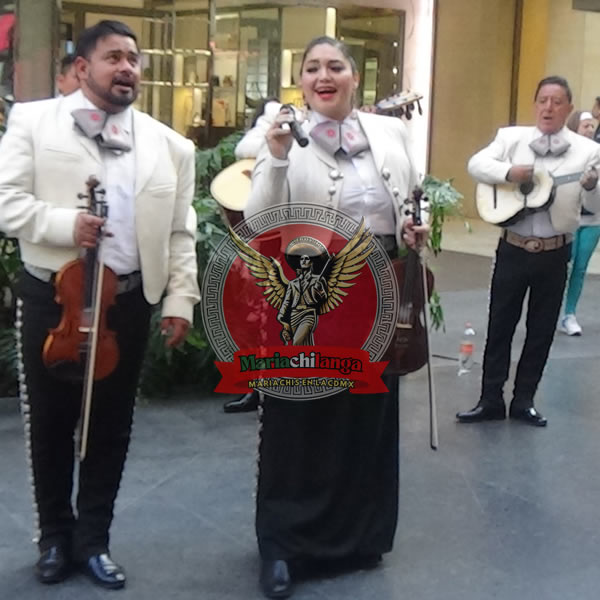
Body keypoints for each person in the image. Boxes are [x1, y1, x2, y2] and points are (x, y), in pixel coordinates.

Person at [0, 20, 199, 589]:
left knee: (111, 426)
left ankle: (94, 541)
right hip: (53, 297)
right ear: (83, 68)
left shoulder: (171, 145)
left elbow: (181, 233)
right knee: (50, 426)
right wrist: (68, 224)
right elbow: (6, 203)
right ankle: (54, 540)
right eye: (114, 57)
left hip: (129, 302)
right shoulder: (33, 122)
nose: (128, 67)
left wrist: (179, 298)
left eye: (134, 58)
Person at [245, 36, 427, 599]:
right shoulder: (275, 136)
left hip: (377, 289)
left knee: (366, 415)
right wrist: (276, 157)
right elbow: (259, 219)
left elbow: (409, 198)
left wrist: (414, 231)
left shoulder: (389, 133)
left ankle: (357, 535)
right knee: (299, 421)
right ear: (301, 82)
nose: (325, 76)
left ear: (354, 77)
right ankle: (283, 545)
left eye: (336, 66)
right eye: (312, 68)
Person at [456, 76, 600, 428]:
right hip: (513, 248)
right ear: (535, 104)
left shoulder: (588, 151)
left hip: (555, 252)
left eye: (557, 102)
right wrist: (510, 171)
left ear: (568, 108)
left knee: (541, 330)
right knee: (500, 324)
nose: (548, 108)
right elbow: (476, 165)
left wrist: (592, 186)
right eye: (542, 100)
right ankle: (490, 399)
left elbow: (595, 206)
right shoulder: (510, 138)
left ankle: (524, 400)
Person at [558, 110, 600, 335]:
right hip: (570, 219)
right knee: (563, 265)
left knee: (580, 268)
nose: (590, 129)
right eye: (585, 125)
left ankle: (569, 314)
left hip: (594, 220)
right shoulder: (567, 154)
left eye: (592, 125)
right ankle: (552, 309)